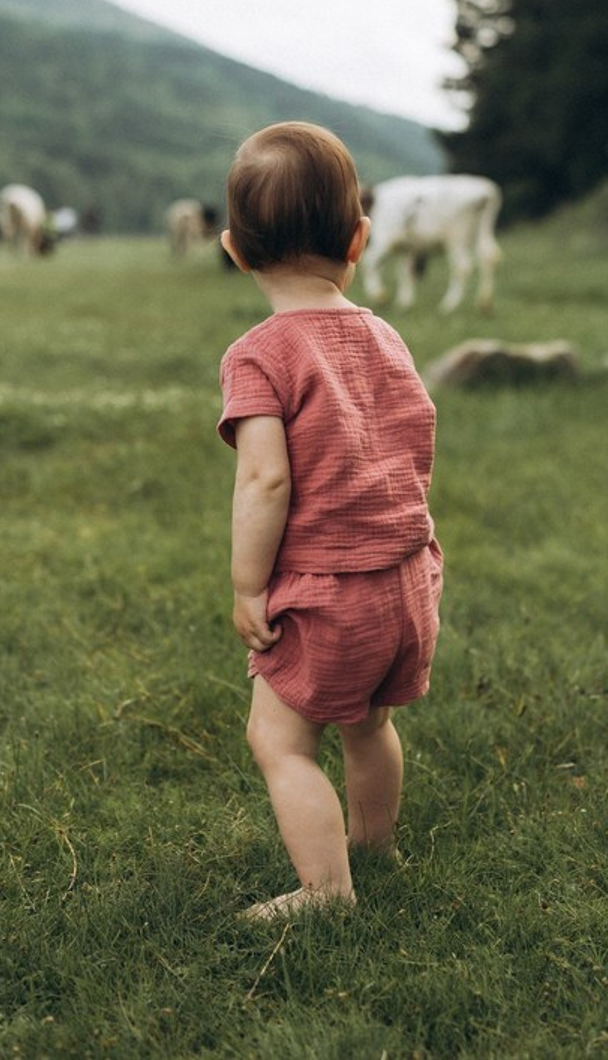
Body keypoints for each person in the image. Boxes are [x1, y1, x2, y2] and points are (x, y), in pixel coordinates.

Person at [217, 121, 443, 921]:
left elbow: (267, 477)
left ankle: (326, 891)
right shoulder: (386, 336)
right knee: (370, 722)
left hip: (328, 592)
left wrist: (249, 585)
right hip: (406, 580)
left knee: (281, 742)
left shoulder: (259, 354)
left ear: (236, 251)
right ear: (359, 239)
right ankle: (375, 847)